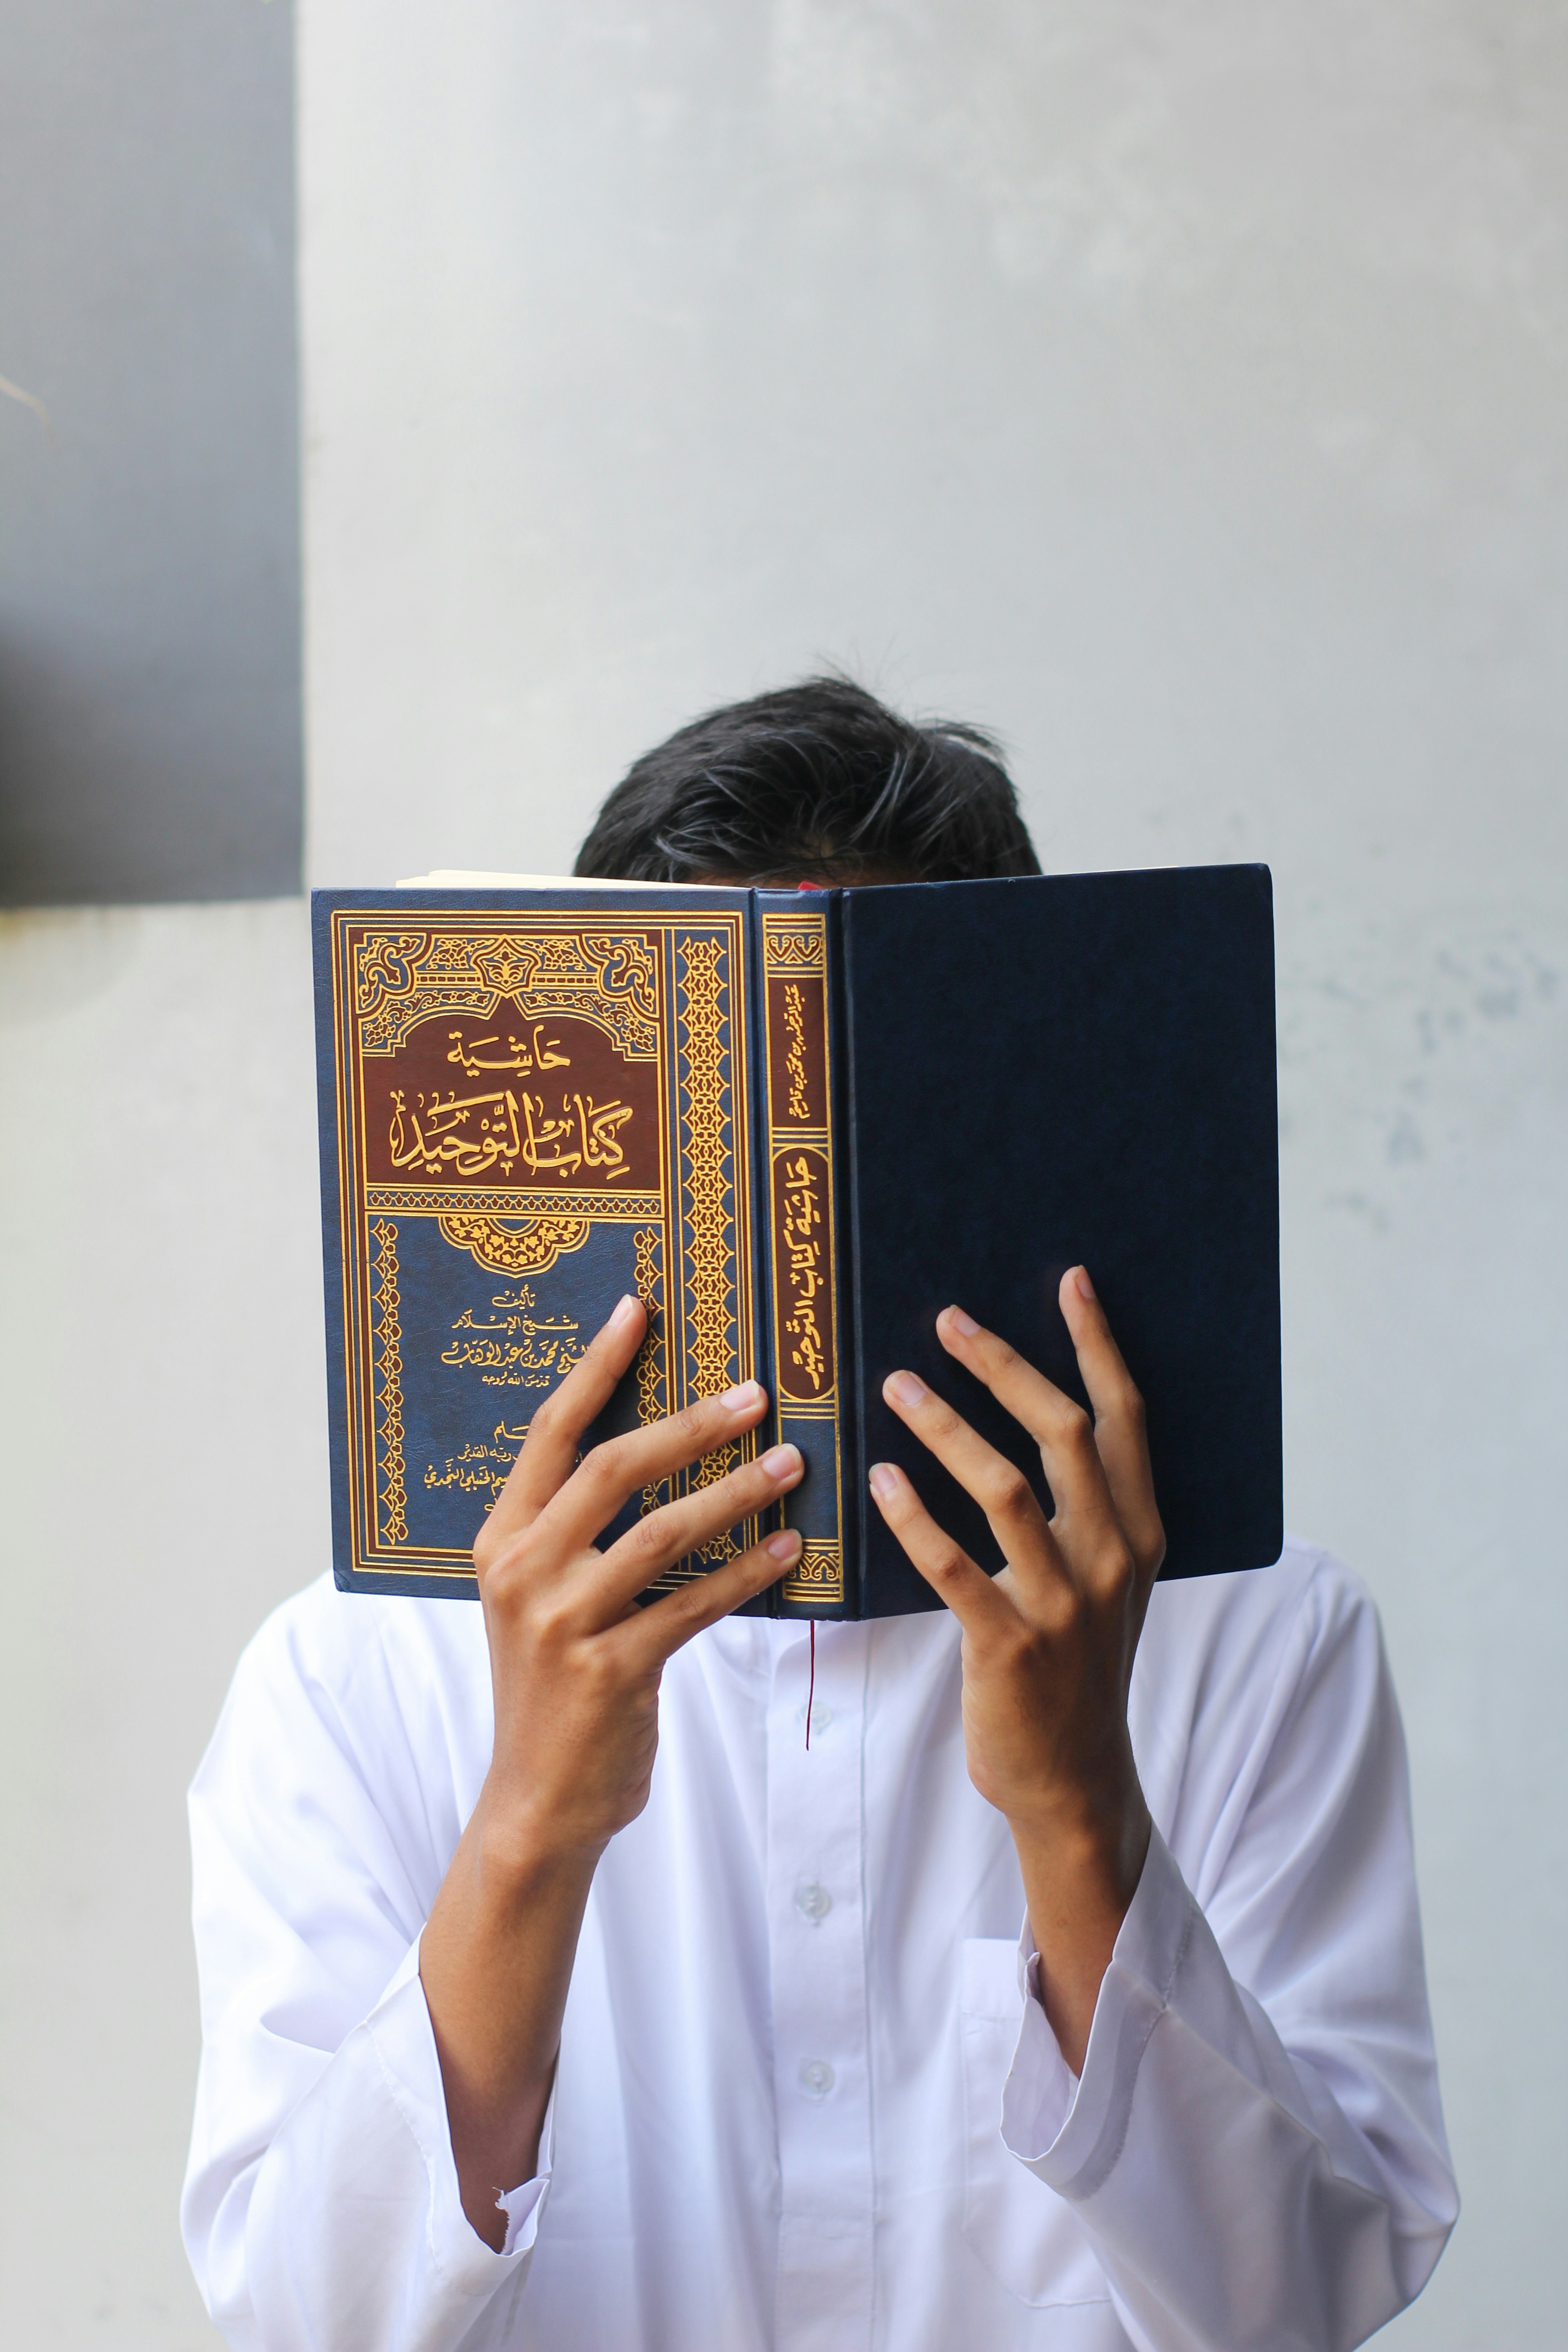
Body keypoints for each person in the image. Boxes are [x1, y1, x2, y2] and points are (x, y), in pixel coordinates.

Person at [181, 679, 1457, 2351]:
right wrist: (529, 1833)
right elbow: (306, 2321)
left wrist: (1082, 1812)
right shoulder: (354, 1672)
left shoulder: (1265, 1637)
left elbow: (1300, 2309)